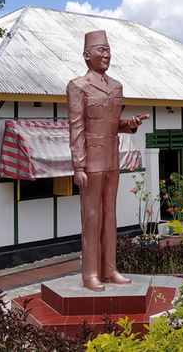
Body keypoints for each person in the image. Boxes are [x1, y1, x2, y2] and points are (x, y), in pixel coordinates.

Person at [67, 30, 147, 292]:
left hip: (113, 160)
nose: (106, 54)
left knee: (110, 217)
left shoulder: (116, 87)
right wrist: (78, 165)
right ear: (86, 55)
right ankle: (90, 274)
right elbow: (77, 128)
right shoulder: (78, 86)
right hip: (91, 162)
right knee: (91, 217)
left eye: (108, 50)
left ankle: (110, 269)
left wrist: (129, 124)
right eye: (101, 50)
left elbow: (111, 125)